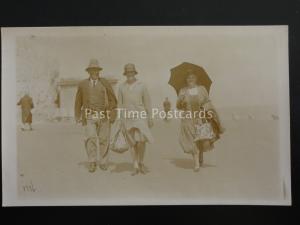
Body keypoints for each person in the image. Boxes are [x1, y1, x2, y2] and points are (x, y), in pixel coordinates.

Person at [75, 59, 117, 173]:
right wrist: (77, 115)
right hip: (89, 116)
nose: (94, 72)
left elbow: (113, 99)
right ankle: (92, 162)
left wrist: (112, 113)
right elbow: (78, 101)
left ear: (99, 71)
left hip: (104, 116)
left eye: (96, 70)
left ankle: (103, 162)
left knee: (104, 139)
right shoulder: (83, 84)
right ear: (88, 71)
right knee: (90, 139)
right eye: (92, 70)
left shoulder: (105, 83)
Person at [176, 71, 224, 172]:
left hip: (200, 117)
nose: (190, 79)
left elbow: (207, 101)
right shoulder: (183, 91)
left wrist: (207, 110)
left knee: (201, 139)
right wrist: (180, 101)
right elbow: (179, 107)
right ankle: (196, 163)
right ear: (186, 79)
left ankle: (200, 155)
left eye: (192, 77)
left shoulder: (202, 89)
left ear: (196, 78)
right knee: (192, 139)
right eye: (188, 77)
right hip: (188, 118)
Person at [118, 63, 154, 176]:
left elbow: (147, 102)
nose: (130, 74)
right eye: (128, 72)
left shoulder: (142, 85)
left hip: (140, 116)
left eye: (131, 72)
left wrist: (150, 117)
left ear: (134, 73)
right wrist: (121, 118)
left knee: (141, 141)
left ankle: (141, 162)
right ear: (125, 74)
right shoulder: (121, 87)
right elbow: (120, 104)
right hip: (127, 117)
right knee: (131, 142)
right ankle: (135, 165)